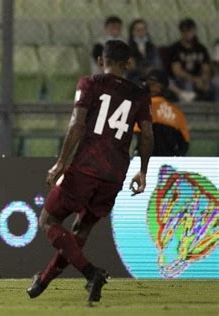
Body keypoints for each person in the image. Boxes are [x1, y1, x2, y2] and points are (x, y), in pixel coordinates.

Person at [27, 40, 154, 303]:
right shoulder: (139, 93)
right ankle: (43, 281)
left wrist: (61, 162)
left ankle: (91, 273)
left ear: (101, 61)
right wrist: (143, 171)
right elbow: (148, 135)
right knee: (80, 231)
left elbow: (77, 125)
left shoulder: (90, 83)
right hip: (115, 173)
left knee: (48, 221)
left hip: (86, 167)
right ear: (127, 63)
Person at [134, 69, 189, 156]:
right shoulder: (177, 112)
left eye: (149, 83)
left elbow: (136, 137)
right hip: (167, 165)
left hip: (145, 162)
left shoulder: (144, 106)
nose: (144, 86)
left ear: (159, 87)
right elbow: (185, 144)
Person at [169, 18, 213, 101]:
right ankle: (190, 112)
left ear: (194, 31)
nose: (188, 34)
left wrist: (204, 79)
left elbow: (206, 68)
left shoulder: (201, 48)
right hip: (181, 79)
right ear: (181, 32)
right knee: (188, 84)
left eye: (190, 31)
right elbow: (177, 71)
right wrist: (195, 80)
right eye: (185, 31)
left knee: (215, 85)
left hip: (199, 78)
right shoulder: (175, 48)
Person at [127, 19, 161, 84]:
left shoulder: (152, 47)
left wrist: (152, 69)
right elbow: (131, 67)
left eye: (143, 29)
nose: (141, 32)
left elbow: (158, 62)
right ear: (133, 32)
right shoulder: (128, 47)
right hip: (135, 77)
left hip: (153, 74)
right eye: (138, 30)